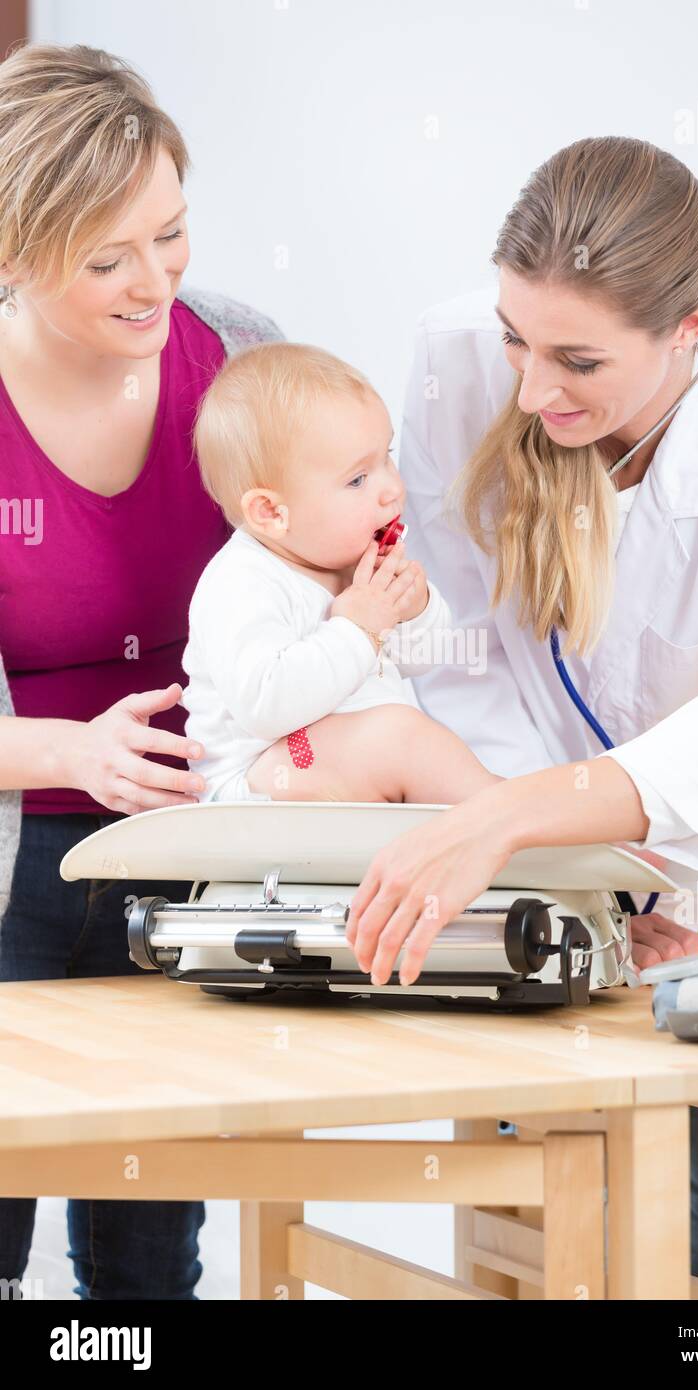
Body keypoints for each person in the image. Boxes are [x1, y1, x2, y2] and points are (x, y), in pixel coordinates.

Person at [345, 136, 698, 1298]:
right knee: (544, 1192)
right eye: (513, 339)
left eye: (577, 359)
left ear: (692, 325)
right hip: (573, 870)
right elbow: (470, 651)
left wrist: (548, 829)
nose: (530, 390)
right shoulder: (454, 365)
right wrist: (572, 868)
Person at [0, 42, 282, 1298]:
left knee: (147, 1253)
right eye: (104, 257)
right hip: (19, 863)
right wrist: (73, 753)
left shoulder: (235, 356)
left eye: (168, 234)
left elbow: (326, 557)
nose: (151, 280)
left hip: (181, 859)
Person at [181, 341, 499, 805]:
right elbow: (265, 704)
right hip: (256, 785)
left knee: (407, 740)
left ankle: (501, 818)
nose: (391, 488)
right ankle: (513, 819)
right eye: (357, 480)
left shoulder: (347, 559)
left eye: (386, 457)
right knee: (402, 741)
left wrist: (414, 611)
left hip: (334, 764)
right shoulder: (242, 581)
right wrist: (359, 627)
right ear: (272, 511)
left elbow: (422, 661)